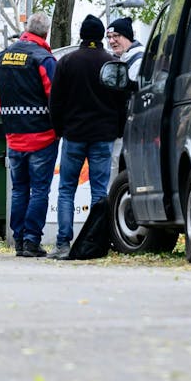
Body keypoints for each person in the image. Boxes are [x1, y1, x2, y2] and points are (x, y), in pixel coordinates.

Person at [48, 15, 129, 260]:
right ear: (101, 35)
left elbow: (56, 102)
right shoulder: (111, 63)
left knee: (66, 190)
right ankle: (97, 243)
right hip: (103, 135)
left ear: (82, 35)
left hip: (73, 134)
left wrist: (60, 129)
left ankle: (63, 243)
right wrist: (118, 130)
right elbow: (121, 101)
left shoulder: (67, 62)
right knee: (99, 190)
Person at [0, 11, 60, 257]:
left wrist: (11, 119)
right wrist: (58, 128)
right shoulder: (44, 59)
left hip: (14, 137)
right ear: (46, 33)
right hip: (42, 136)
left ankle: (19, 240)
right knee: (40, 189)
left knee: (19, 189)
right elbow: (55, 98)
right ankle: (32, 240)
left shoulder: (2, 58)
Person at [105, 17, 145, 87]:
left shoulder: (138, 62)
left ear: (127, 36)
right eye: (109, 37)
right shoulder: (124, 57)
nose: (111, 41)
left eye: (115, 36)